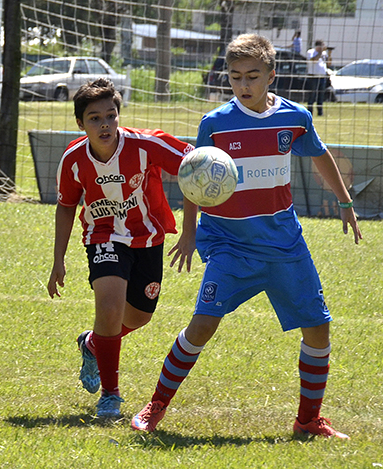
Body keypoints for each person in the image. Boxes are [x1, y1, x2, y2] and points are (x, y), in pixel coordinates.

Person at [130, 33, 362, 439]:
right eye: (236, 76)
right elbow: (193, 178)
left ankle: (308, 421)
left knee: (318, 328)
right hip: (230, 245)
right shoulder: (215, 124)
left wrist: (344, 201)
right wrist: (189, 234)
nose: (244, 84)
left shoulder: (294, 118)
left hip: (284, 244)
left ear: (271, 75)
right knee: (202, 326)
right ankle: (155, 407)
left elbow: (320, 153)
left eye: (253, 75)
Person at [46, 77, 195, 419]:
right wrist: (58, 260)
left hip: (147, 238)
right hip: (103, 236)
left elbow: (194, 168)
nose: (105, 124)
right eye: (95, 118)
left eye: (111, 115)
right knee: (110, 307)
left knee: (140, 315)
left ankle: (93, 343)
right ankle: (111, 396)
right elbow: (67, 205)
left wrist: (190, 232)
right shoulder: (73, 160)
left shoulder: (146, 146)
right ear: (80, 123)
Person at [306, 39, 331, 116]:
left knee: (321, 96)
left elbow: (329, 64)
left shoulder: (324, 53)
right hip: (313, 77)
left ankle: (320, 112)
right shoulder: (310, 52)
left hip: (322, 77)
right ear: (317, 46)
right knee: (312, 95)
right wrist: (320, 52)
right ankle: (310, 112)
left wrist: (329, 55)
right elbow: (314, 60)